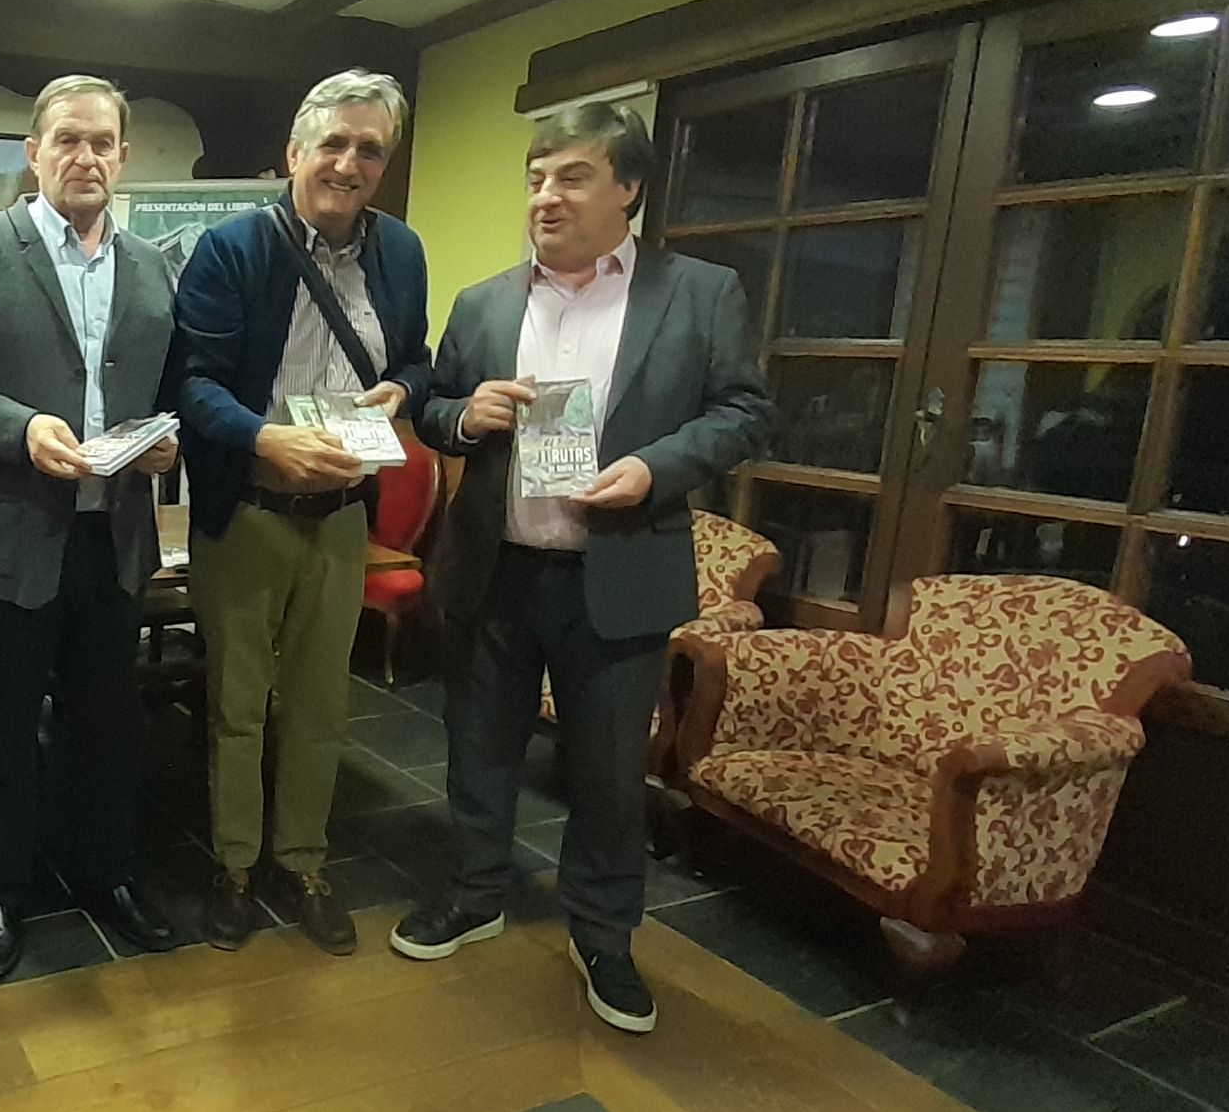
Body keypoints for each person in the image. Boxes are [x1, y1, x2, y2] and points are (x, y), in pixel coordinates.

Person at [397, 102, 774, 1034]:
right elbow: (437, 404)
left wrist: (655, 469)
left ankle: (604, 932)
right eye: (535, 178)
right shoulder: (485, 300)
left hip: (620, 570)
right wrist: (462, 417)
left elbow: (743, 413)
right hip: (495, 565)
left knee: (607, 771)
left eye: (571, 177)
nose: (545, 197)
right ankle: (475, 892)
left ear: (629, 189)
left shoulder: (699, 292)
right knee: (477, 748)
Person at [0, 74, 181, 980]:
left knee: (106, 729)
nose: (85, 157)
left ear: (123, 157)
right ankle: (1, 895)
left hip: (113, 539)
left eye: (102, 142)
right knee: (4, 737)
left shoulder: (152, 267)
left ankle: (107, 877)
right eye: (67, 141)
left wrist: (163, 446)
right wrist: (20, 429)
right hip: (8, 541)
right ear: (35, 151)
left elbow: (163, 393)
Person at [165, 70, 431, 955]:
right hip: (251, 508)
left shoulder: (403, 253)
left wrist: (405, 389)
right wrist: (262, 442)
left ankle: (304, 862)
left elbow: (423, 363)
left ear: (382, 166)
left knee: (321, 705)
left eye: (369, 150)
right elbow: (191, 382)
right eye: (334, 144)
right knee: (238, 705)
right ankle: (235, 867)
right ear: (294, 153)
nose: (349, 164)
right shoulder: (232, 250)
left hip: (345, 511)